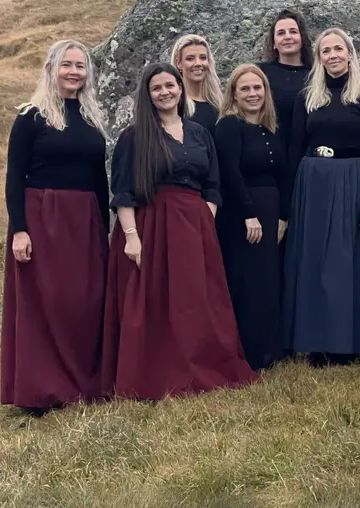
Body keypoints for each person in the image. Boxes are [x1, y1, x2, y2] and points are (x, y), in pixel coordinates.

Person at [103, 63, 255, 399]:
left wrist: (204, 219)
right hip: (153, 225)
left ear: (180, 88)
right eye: (157, 88)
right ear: (148, 95)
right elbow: (123, 191)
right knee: (157, 300)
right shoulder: (135, 137)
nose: (165, 92)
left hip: (195, 224)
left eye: (170, 85)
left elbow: (213, 184)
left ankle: (202, 367)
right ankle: (159, 373)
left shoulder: (199, 133)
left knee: (197, 297)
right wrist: (132, 237)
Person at [1, 40, 110, 411]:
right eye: (67, 64)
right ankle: (42, 390)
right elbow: (14, 178)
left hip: (85, 219)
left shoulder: (92, 119)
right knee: (45, 302)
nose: (74, 72)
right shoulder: (31, 117)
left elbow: (99, 179)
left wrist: (104, 227)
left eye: (80, 66)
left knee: (84, 300)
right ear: (52, 68)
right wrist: (19, 229)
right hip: (42, 217)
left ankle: (85, 383)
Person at [283, 28, 360, 359]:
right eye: (326, 51)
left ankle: (348, 341)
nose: (333, 55)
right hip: (312, 181)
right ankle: (314, 341)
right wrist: (290, 200)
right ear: (319, 58)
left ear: (349, 53)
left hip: (351, 179)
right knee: (314, 260)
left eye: (338, 49)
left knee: (346, 261)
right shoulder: (307, 97)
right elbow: (295, 148)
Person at [214, 64, 289, 371]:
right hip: (243, 214)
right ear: (233, 94)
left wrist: (283, 216)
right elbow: (230, 173)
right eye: (244, 88)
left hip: (271, 210)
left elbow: (283, 174)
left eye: (257, 88)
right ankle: (250, 352)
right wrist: (249, 214)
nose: (252, 94)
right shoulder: (229, 126)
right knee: (247, 281)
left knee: (269, 279)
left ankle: (272, 349)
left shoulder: (273, 128)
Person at [258, 8, 313, 146]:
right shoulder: (260, 73)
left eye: (293, 32)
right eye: (281, 33)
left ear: (302, 38)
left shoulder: (316, 75)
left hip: (307, 151)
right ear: (274, 42)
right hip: (270, 150)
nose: (287, 37)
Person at [170, 34, 223, 135]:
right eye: (190, 59)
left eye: (203, 58)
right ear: (179, 63)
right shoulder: (176, 106)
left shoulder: (219, 103)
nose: (198, 63)